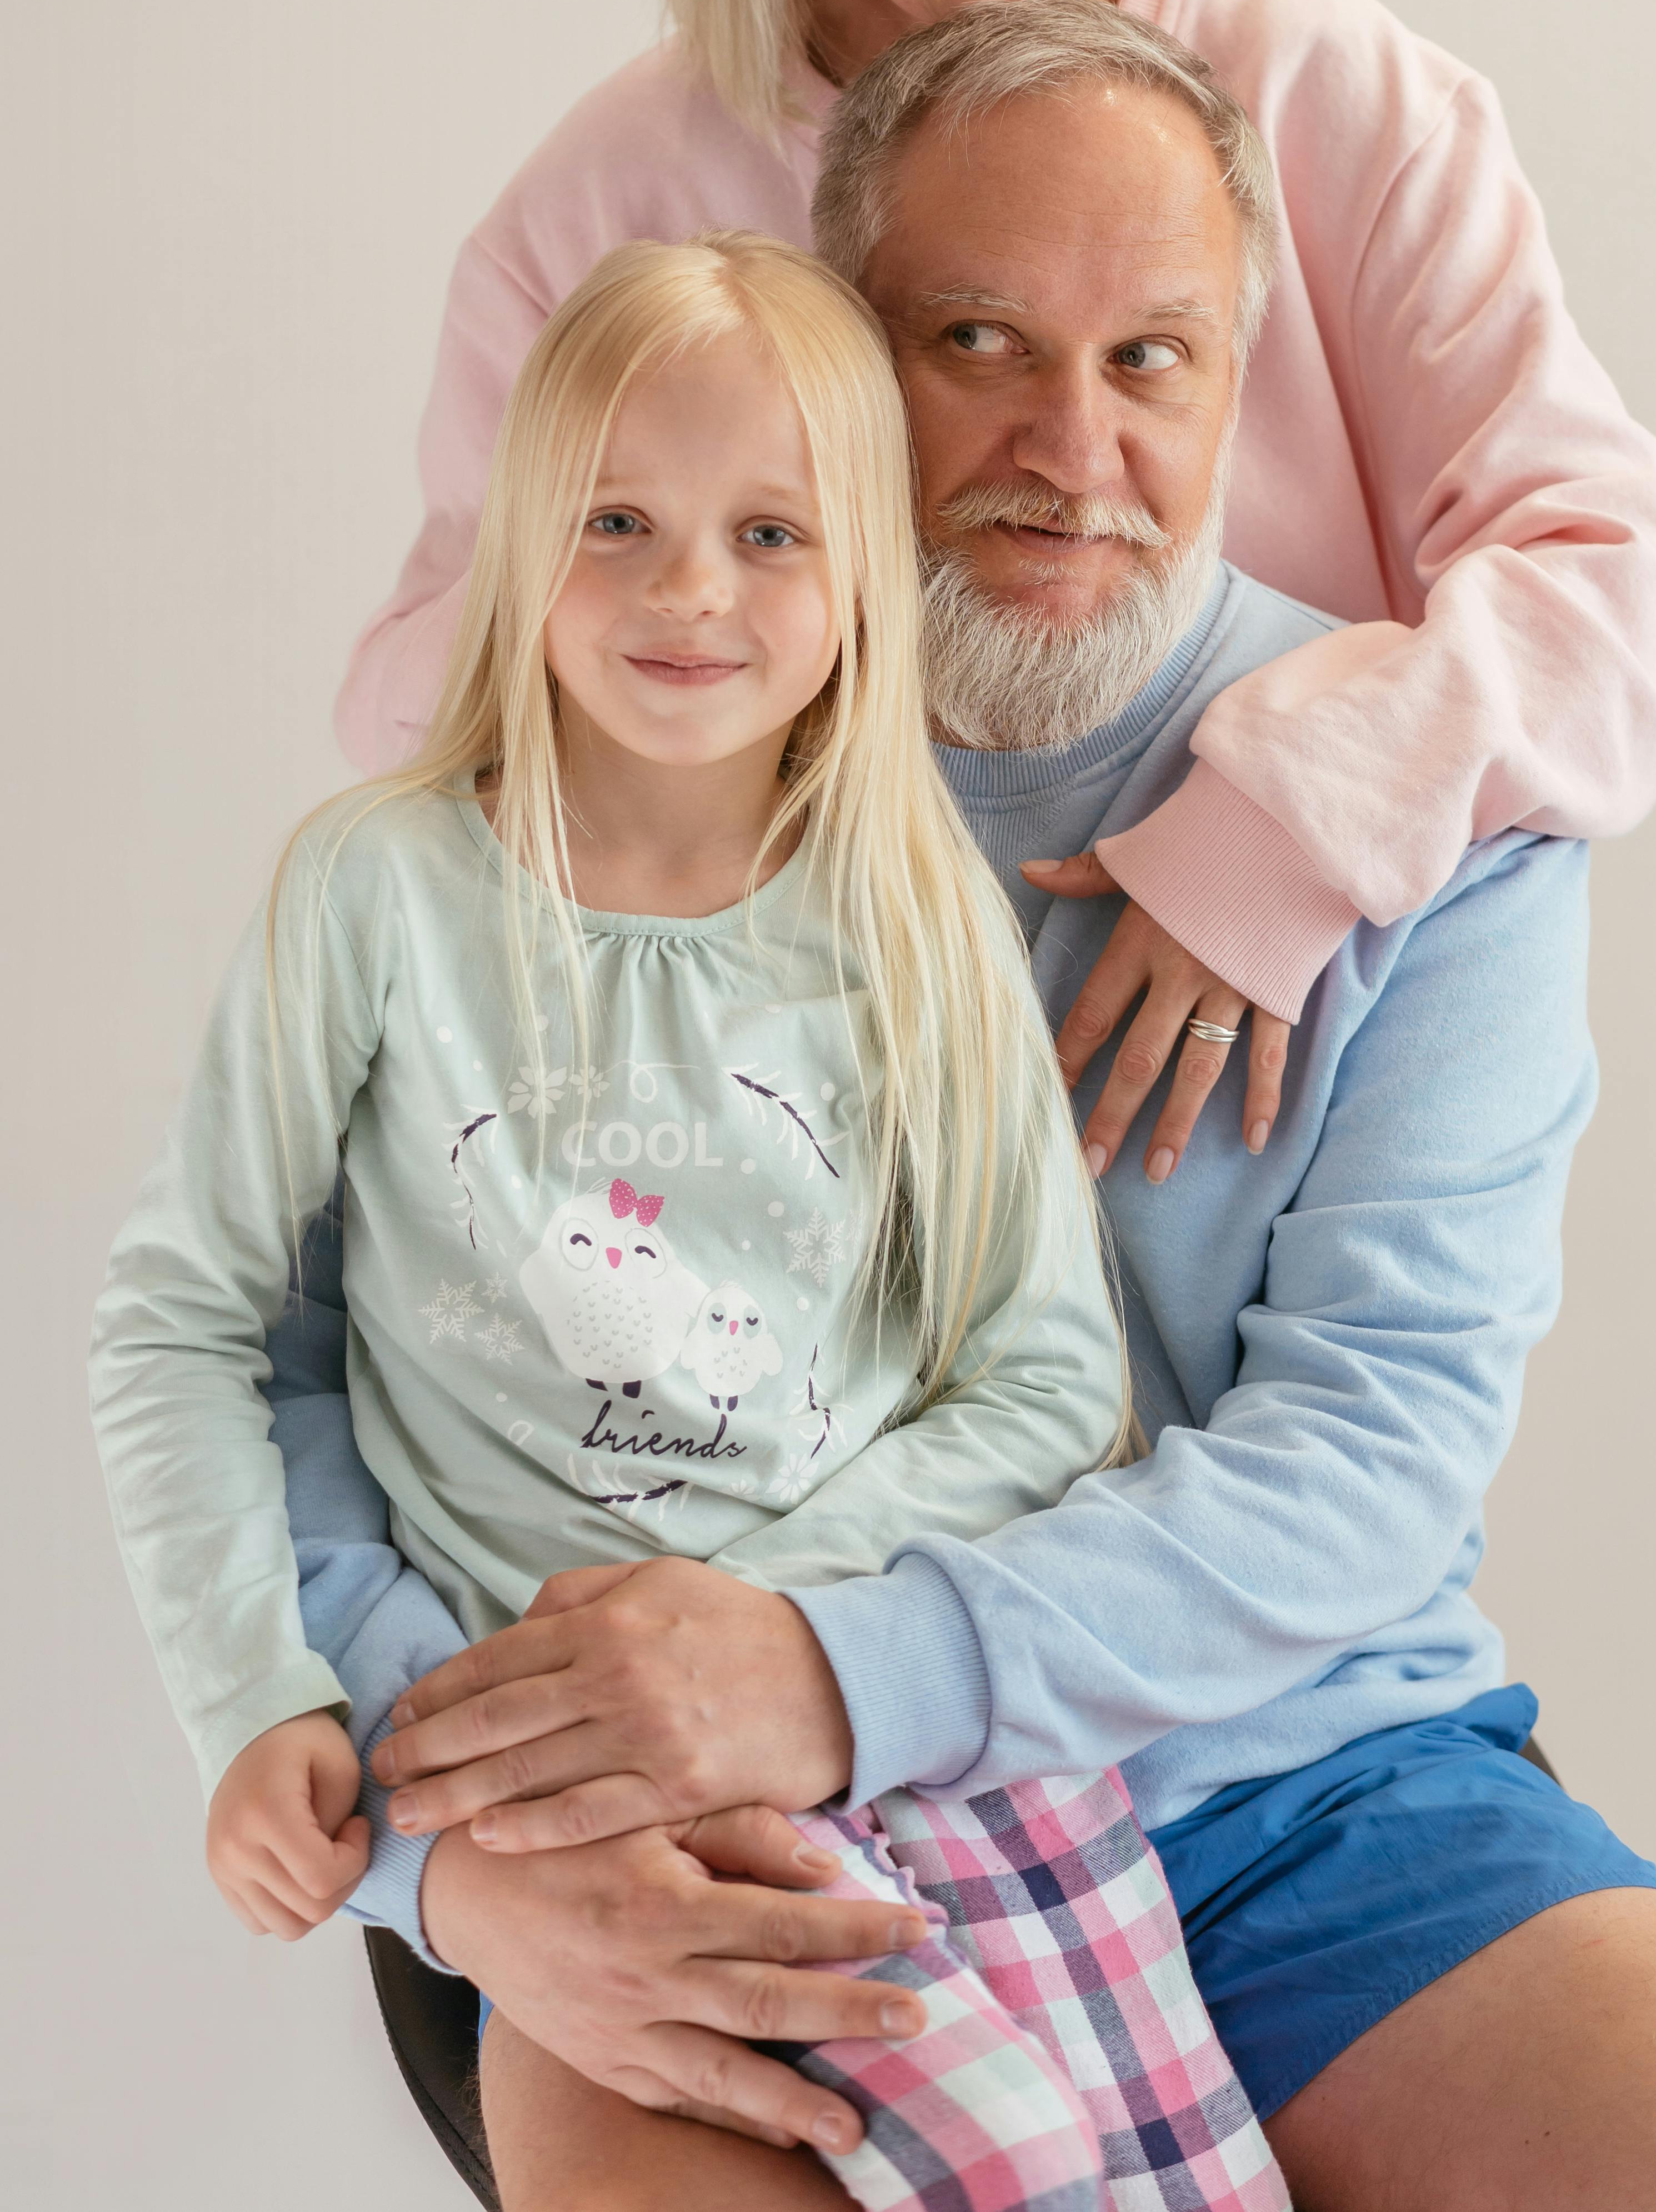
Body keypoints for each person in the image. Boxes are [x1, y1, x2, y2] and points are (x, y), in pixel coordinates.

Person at [301, 5, 1656, 2207]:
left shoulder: (1435, 821)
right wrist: (440, 1870)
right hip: (718, 1845)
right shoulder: (602, 770)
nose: (1066, 447)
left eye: (1152, 358)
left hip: (1304, 1795)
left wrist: (842, 1665)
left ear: (1243, 371)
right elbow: (304, 1398)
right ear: (842, 346)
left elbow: (1367, 1460)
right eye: (974, 338)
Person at [335, 0, 1656, 1186]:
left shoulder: (1337, 97)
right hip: (794, 1153)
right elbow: (427, 720)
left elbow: (1616, 591)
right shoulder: (600, 219)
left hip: (1256, 1110)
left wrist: (1278, 836)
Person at [90, 231, 1290, 2212]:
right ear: (524, 529)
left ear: (860, 580)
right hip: (571, 1788)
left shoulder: (914, 913)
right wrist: (253, 1697)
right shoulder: (378, 895)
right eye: (619, 519)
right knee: (995, 2162)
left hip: (893, 1712)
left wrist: (762, 1615)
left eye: (768, 534)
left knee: (1154, 2176)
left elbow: (1048, 1376)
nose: (687, 591)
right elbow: (186, 1324)